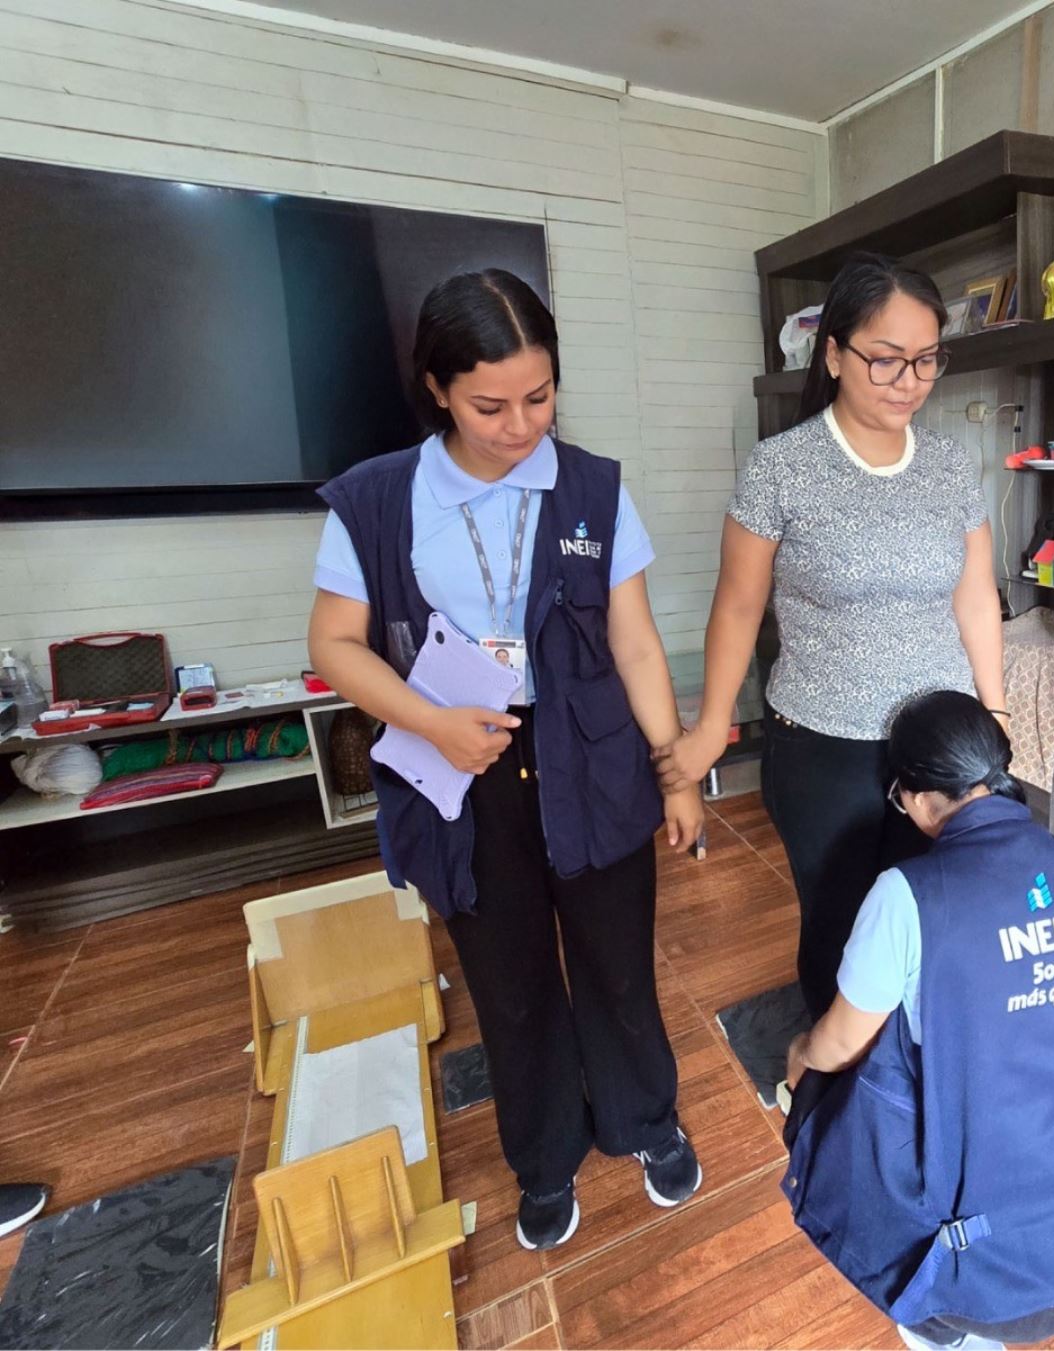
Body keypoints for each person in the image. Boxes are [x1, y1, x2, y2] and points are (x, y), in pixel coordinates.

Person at [307, 269, 704, 1251]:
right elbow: (335, 646)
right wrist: (433, 723)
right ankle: (544, 1157)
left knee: (618, 966)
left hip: (593, 761)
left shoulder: (593, 488)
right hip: (463, 778)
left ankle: (644, 1120)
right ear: (438, 388)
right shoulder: (374, 501)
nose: (521, 423)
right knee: (510, 982)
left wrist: (675, 766)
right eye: (490, 404)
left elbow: (637, 642)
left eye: (540, 396)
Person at [781, 692, 1054, 1351]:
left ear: (917, 798)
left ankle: (946, 1335)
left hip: (996, 1294)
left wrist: (801, 1056)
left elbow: (838, 1043)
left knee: (819, 1079)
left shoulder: (906, 895)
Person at [656, 253, 1005, 1020]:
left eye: (925, 360)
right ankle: (835, 1082)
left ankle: (914, 1071)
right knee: (841, 927)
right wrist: (714, 725)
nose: (908, 380)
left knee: (937, 914)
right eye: (886, 359)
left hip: (940, 742)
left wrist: (996, 709)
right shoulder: (782, 468)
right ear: (836, 353)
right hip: (824, 746)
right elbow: (739, 606)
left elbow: (977, 595)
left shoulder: (949, 464)